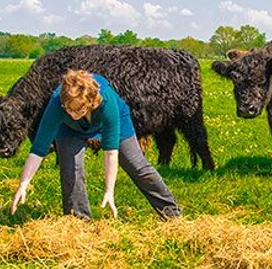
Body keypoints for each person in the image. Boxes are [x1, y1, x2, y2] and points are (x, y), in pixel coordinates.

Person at [11, 69, 182, 219]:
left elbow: (111, 152)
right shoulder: (58, 105)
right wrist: (23, 184)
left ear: (91, 102)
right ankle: (78, 221)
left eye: (78, 110)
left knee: (136, 165)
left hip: (114, 121)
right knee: (71, 170)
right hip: (69, 130)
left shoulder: (107, 102)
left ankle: (171, 213)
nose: (72, 114)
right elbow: (38, 150)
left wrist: (109, 191)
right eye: (68, 109)